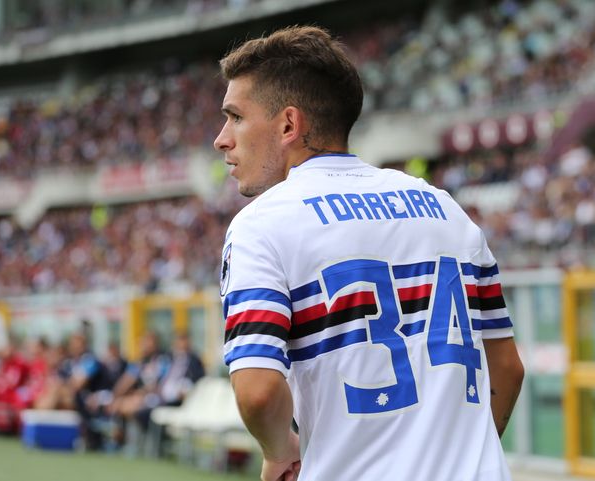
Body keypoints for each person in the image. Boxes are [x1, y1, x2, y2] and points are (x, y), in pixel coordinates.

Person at [214, 26, 525, 481]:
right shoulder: (445, 208)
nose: (222, 138)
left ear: (288, 125)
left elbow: (258, 392)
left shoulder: (262, 225)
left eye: (236, 117)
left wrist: (279, 451)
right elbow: (508, 369)